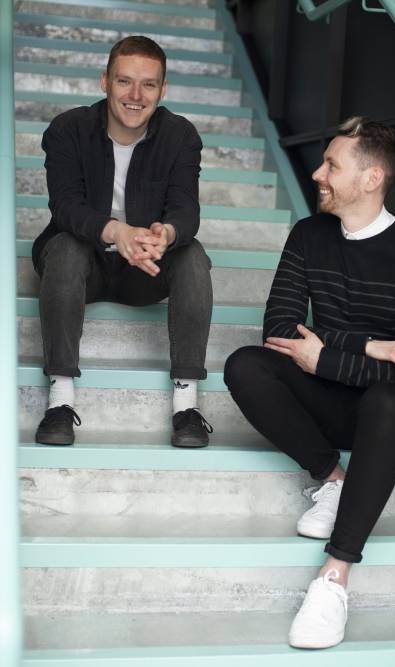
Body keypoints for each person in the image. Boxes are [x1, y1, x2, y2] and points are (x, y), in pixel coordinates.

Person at [224, 116, 395, 648]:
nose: (317, 173)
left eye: (332, 165)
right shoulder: (309, 235)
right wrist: (371, 346)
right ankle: (332, 479)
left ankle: (335, 576)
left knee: (389, 397)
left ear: (371, 179)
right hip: (329, 401)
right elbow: (280, 334)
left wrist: (325, 356)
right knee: (246, 365)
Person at [33, 36, 213, 448]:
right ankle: (59, 401)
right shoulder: (68, 129)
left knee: (193, 256)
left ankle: (187, 406)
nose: (136, 95)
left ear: (162, 90)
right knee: (64, 245)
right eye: (124, 82)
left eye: (148, 84)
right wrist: (118, 232)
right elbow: (65, 207)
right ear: (104, 82)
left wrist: (163, 235)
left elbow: (186, 211)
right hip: (84, 265)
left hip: (144, 270)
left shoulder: (180, 135)